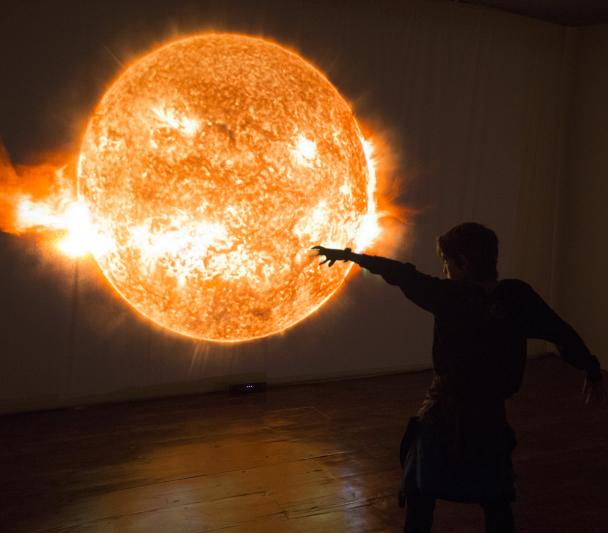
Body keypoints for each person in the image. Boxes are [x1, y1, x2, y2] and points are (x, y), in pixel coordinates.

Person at [313, 222, 605, 533]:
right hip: (490, 418)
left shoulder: (452, 296)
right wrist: (591, 367)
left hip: (444, 416)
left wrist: (352, 257)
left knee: (420, 493)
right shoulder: (517, 296)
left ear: (463, 263)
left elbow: (402, 274)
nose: (445, 269)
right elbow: (560, 332)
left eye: (447, 262)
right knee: (496, 499)